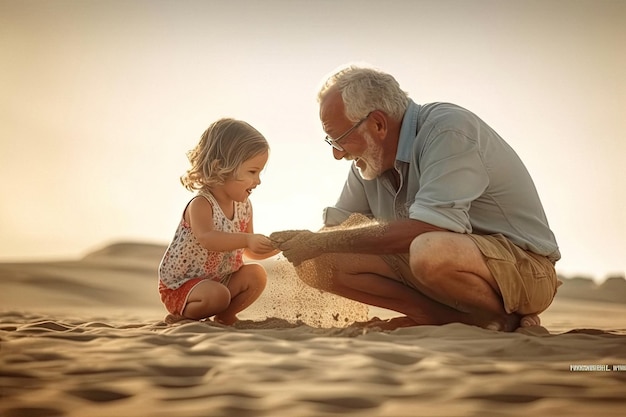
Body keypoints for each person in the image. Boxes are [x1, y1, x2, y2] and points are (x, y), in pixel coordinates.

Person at [271, 64, 561, 332]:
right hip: (440, 266)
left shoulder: (448, 129)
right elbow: (334, 234)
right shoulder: (366, 165)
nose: (337, 153)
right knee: (318, 261)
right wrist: (287, 243)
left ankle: (503, 320)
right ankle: (434, 318)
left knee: (429, 250)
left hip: (526, 270)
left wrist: (318, 241)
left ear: (378, 124)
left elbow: (429, 228)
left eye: (339, 138)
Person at [159, 118, 279, 325]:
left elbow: (248, 252)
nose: (258, 181)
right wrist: (247, 239)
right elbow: (208, 239)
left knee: (256, 275)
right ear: (220, 167)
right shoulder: (202, 204)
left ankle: (225, 316)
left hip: (221, 280)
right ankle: (181, 317)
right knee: (218, 296)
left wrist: (279, 246)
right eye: (252, 172)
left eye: (259, 172)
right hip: (184, 286)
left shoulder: (244, 207)